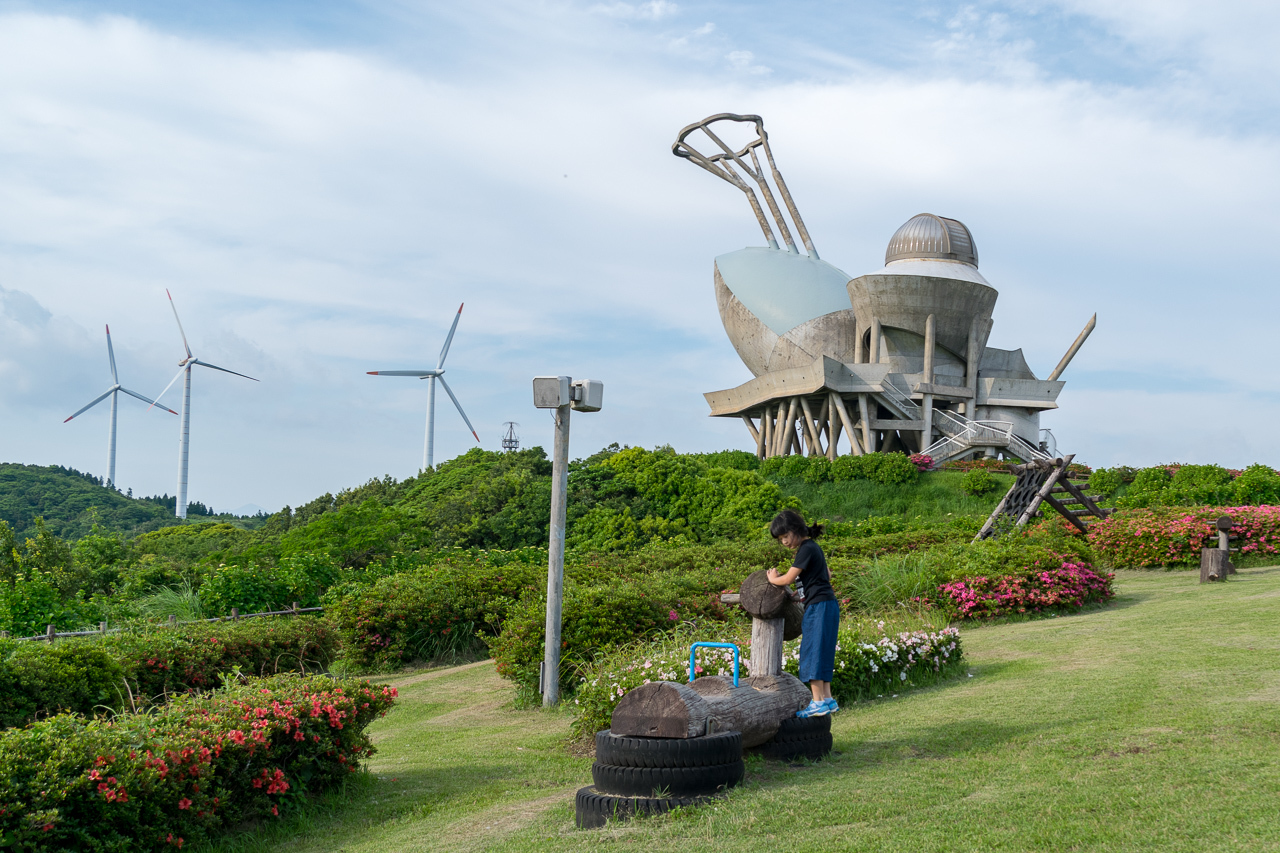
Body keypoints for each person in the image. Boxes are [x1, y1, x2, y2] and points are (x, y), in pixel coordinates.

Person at [767, 508, 839, 718]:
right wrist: (802, 595)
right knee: (823, 650)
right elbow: (827, 574)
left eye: (786, 536)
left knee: (813, 650)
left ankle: (817, 702)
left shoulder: (806, 549)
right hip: (827, 604)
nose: (785, 542)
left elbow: (788, 578)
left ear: (797, 530)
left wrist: (772, 579)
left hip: (818, 607)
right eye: (780, 539)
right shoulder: (813, 548)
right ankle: (827, 699)